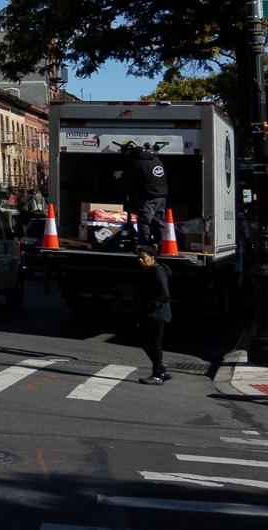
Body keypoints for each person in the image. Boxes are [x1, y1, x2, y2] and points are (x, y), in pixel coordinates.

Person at [116, 143, 167, 245]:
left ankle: (145, 245)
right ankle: (161, 244)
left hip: (149, 198)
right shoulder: (158, 162)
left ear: (135, 156)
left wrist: (121, 175)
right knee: (159, 223)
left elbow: (130, 177)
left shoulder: (139, 164)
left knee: (144, 222)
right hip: (161, 197)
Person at [135, 246, 173, 385]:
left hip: (157, 314)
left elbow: (164, 295)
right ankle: (162, 371)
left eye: (143, 257)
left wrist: (152, 305)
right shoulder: (148, 271)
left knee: (154, 344)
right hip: (148, 313)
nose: (140, 260)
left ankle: (157, 376)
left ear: (152, 258)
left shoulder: (157, 272)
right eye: (138, 257)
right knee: (144, 341)